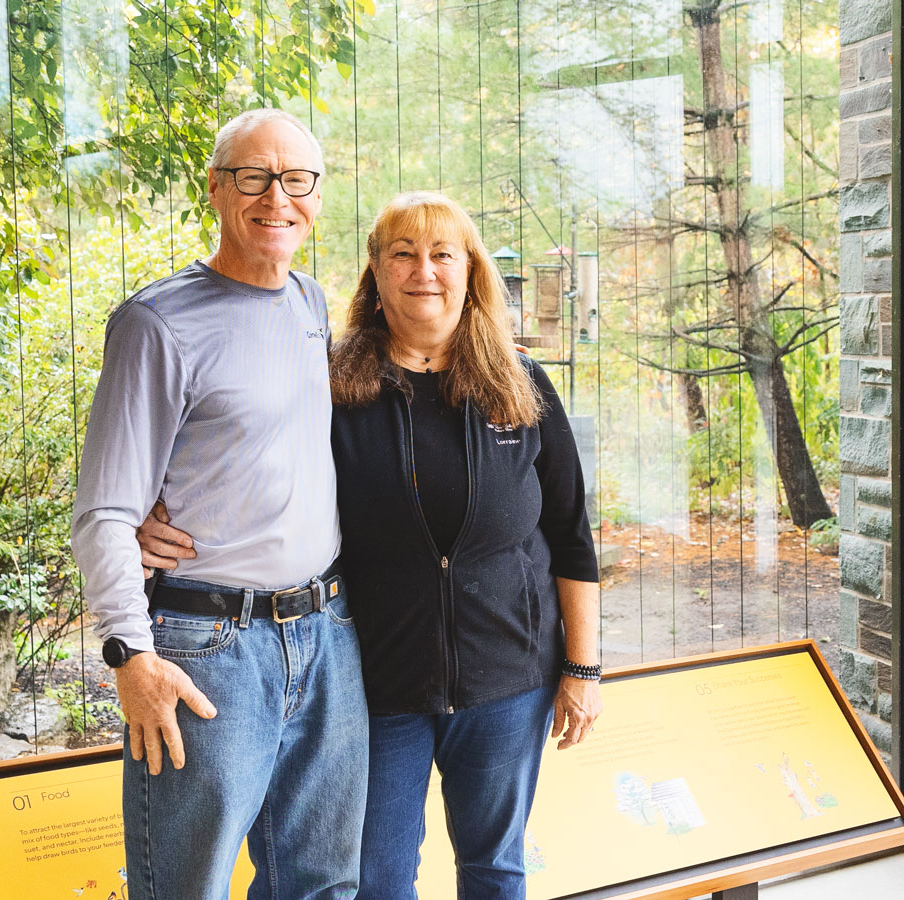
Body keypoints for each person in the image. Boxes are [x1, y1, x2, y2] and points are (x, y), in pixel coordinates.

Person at [140, 191, 603, 899]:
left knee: (496, 867)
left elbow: (570, 535)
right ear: (375, 274)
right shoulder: (328, 383)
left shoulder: (522, 384)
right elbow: (244, 456)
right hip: (373, 680)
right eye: (403, 254)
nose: (425, 270)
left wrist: (583, 668)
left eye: (443, 254)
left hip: (509, 677)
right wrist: (151, 512)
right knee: (376, 879)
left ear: (471, 270)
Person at [71, 108, 366, 900]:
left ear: (316, 194)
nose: (278, 197)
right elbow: (103, 512)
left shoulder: (310, 304)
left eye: (296, 179)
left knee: (324, 885)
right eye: (253, 176)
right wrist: (130, 656)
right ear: (215, 188)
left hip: (327, 635)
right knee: (186, 885)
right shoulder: (157, 323)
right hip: (208, 647)